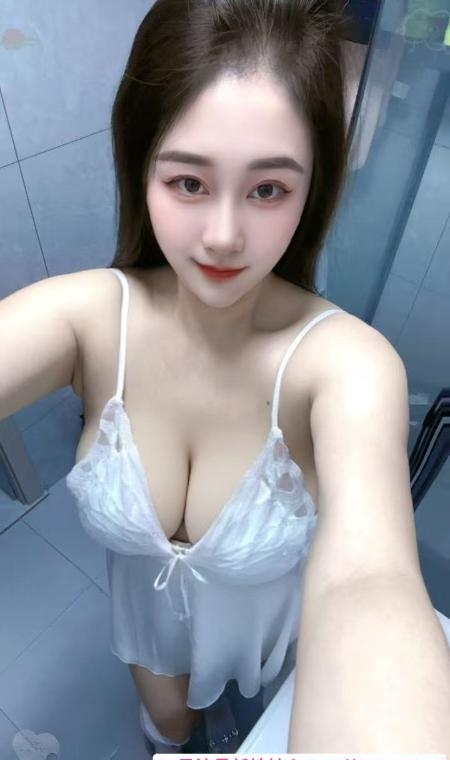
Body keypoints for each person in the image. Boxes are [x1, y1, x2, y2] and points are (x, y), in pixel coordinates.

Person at [1, 0, 449, 756]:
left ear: (312, 191)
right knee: (168, 731)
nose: (223, 236)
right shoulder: (87, 317)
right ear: (141, 169)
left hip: (261, 627)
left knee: (257, 710)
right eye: (188, 182)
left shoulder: (348, 366)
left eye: (268, 189)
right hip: (145, 630)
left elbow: (370, 581)